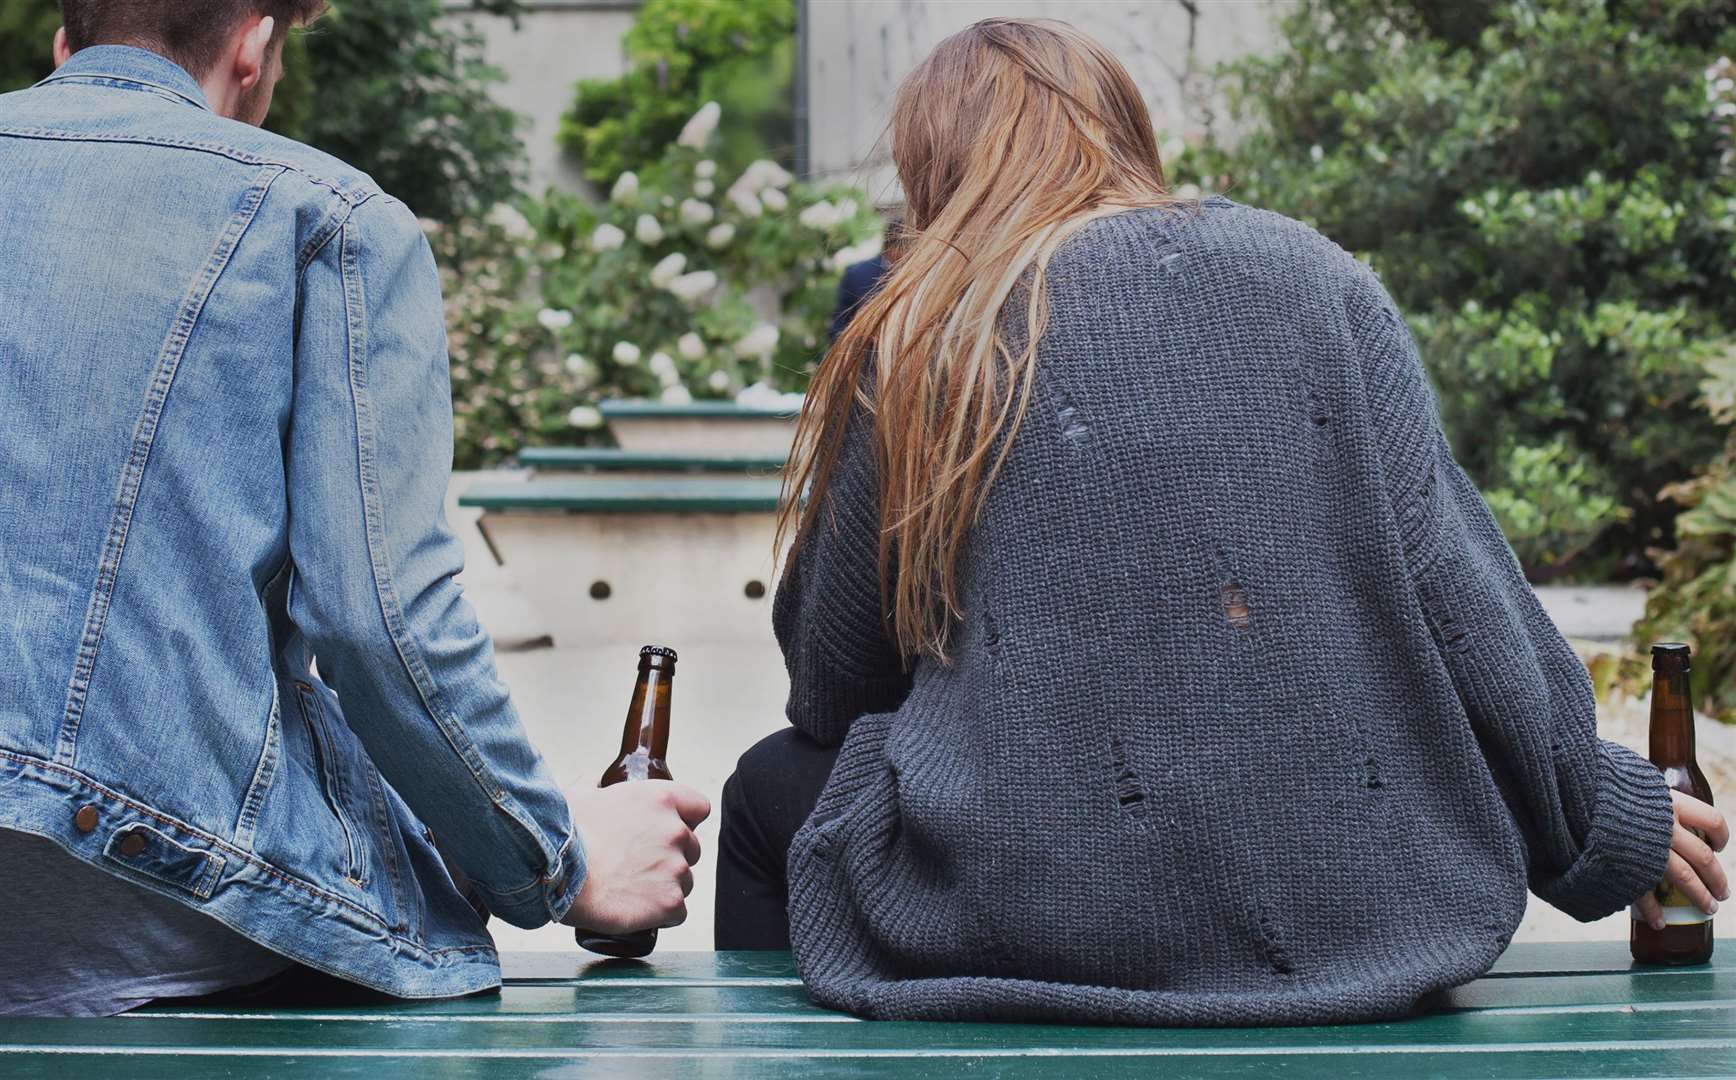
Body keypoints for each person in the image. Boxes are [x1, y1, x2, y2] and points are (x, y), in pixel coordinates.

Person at [715, 18, 1730, 1025]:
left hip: (1026, 910)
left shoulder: (922, 331)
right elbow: (1461, 605)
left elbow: (833, 686)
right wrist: (1597, 822)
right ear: (1121, 129)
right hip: (1361, 916)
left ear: (931, 165)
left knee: (767, 786)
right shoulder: (1315, 276)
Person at [0, 1, 708, 1017]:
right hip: (150, 899)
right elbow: (380, 625)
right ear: (252, 44)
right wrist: (562, 861)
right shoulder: (320, 217)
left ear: (66, 48)